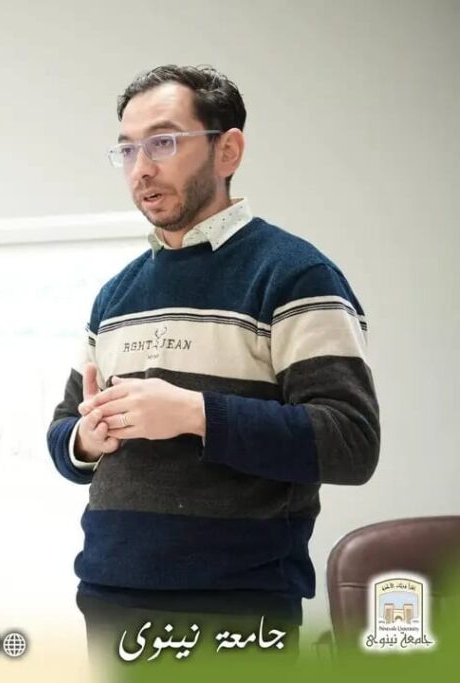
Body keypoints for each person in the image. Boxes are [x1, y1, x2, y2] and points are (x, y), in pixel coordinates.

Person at [45, 65, 380, 670]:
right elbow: (64, 434)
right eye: (127, 149)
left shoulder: (294, 275)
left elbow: (351, 443)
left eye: (163, 142)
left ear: (228, 150)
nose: (141, 168)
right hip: (111, 597)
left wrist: (196, 414)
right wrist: (87, 438)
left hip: (235, 609)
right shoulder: (115, 295)